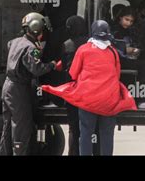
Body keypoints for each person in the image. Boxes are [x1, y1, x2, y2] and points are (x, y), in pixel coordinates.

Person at [43, 20, 137, 155]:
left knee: (86, 133)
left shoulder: (83, 49)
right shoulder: (113, 51)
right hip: (108, 101)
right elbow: (116, 75)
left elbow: (73, 73)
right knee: (107, 134)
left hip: (88, 101)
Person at [0, 12, 57, 156]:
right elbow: (36, 69)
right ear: (36, 29)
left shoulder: (15, 42)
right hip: (18, 89)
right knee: (21, 125)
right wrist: (52, 65)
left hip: (8, 86)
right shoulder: (29, 48)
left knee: (7, 125)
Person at [58, 15, 89, 156]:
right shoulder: (90, 44)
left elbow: (64, 66)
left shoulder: (67, 44)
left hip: (71, 90)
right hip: (87, 90)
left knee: (73, 128)